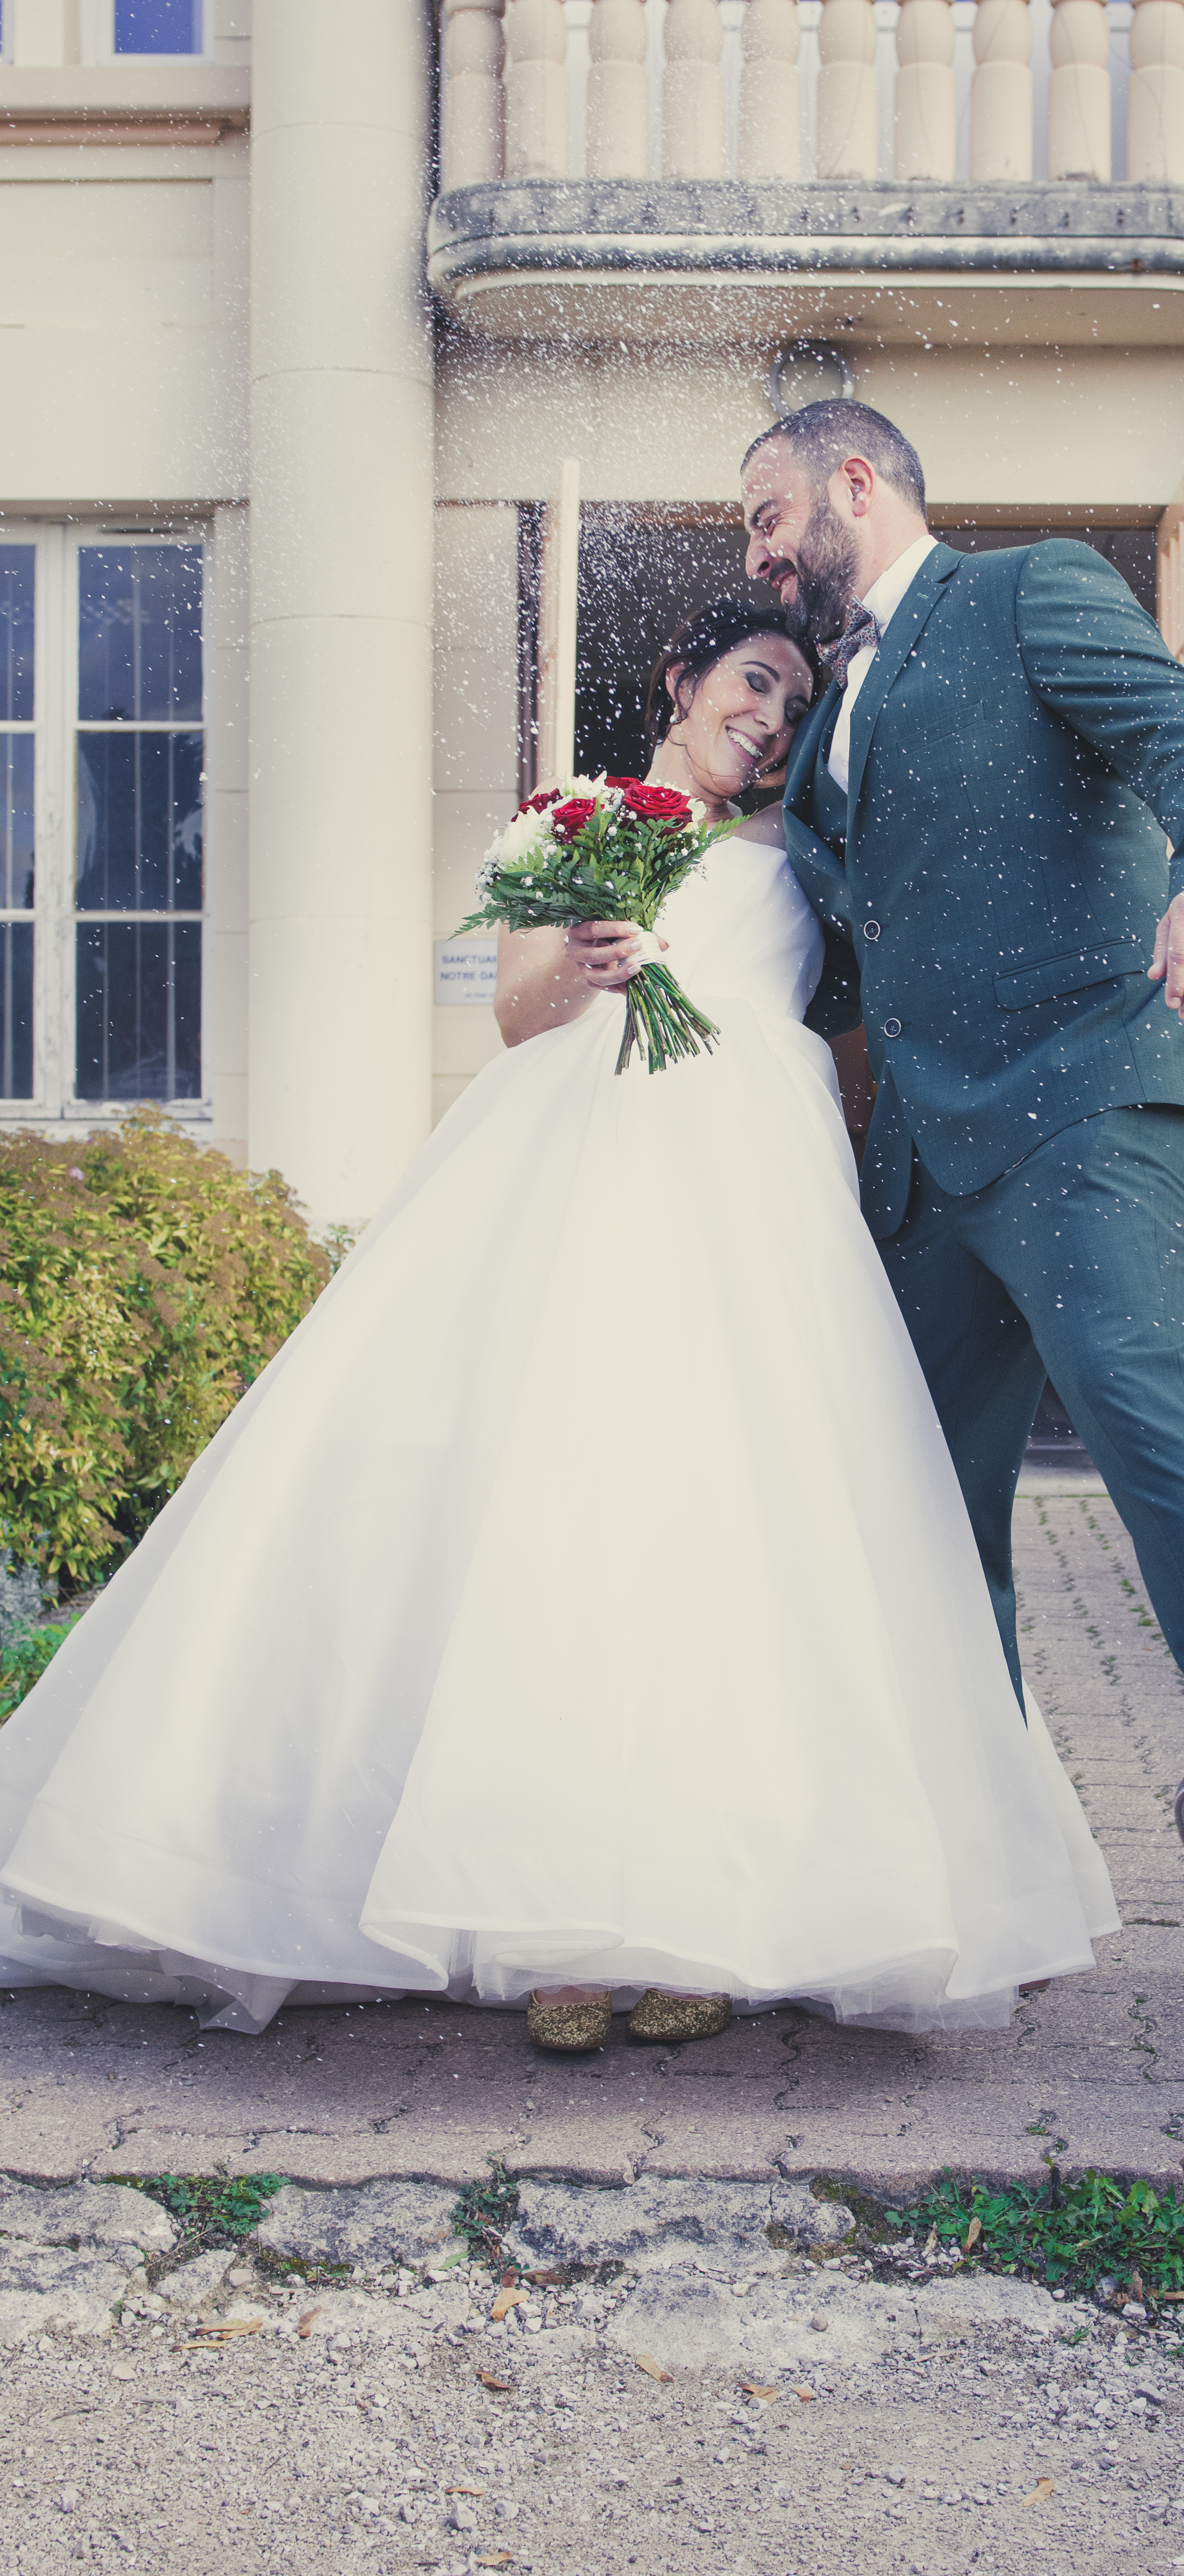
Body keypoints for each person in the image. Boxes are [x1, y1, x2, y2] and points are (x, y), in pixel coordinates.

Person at [0, 598, 1117, 2047]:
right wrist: (587, 966)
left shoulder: (814, 862)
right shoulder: (577, 816)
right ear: (685, 681)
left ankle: (710, 1916)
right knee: (561, 1518)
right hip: (576, 1185)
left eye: (795, 706)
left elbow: (858, 1030)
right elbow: (519, 1013)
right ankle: (560, 1932)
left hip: (754, 1215)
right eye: (755, 684)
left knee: (735, 1529)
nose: (772, 720)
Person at [724, 400, 1184, 1948]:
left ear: (855, 483)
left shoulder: (1030, 592)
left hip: (1086, 1092)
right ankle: (974, 1862)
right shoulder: (823, 731)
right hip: (930, 1162)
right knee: (914, 1502)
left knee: (1132, 1378)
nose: (756, 555)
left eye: (765, 514)